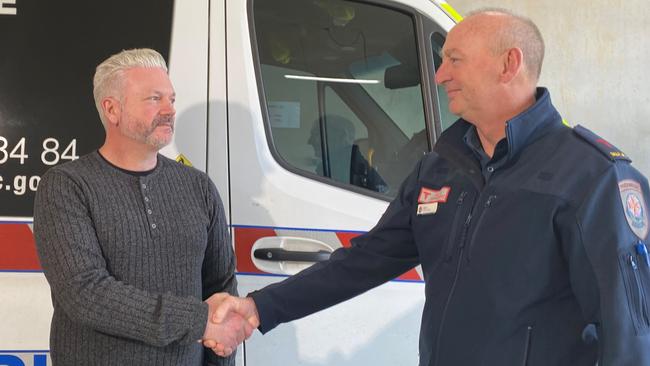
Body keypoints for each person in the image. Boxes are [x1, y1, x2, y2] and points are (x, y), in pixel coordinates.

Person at [207, 8, 650, 366]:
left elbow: (629, 333)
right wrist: (261, 308)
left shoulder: (592, 176)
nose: (439, 75)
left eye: (454, 59)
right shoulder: (443, 165)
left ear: (508, 64)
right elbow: (365, 260)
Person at [33, 48, 251, 366]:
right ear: (112, 110)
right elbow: (85, 293)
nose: (169, 110)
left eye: (172, 99)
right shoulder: (67, 186)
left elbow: (220, 287)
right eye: (154, 99)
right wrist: (198, 321)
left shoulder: (198, 187)